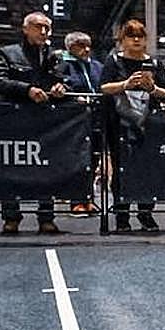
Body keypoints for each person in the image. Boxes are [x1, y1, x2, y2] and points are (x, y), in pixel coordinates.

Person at [100, 18, 165, 233]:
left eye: (141, 36)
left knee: (149, 169)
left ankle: (146, 213)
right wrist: (125, 85)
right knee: (121, 171)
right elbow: (103, 87)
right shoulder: (113, 61)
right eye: (132, 36)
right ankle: (122, 215)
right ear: (123, 40)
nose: (137, 40)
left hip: (149, 124)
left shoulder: (155, 64)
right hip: (119, 124)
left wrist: (151, 88)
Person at [0, 11, 66, 234]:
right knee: (10, 167)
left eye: (47, 28)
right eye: (38, 27)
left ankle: (46, 217)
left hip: (46, 121)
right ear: (25, 28)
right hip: (13, 120)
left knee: (45, 167)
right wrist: (26, 90)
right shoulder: (7, 53)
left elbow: (63, 82)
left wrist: (61, 89)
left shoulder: (55, 56)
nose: (44, 32)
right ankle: (11, 217)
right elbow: (0, 81)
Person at [57, 31, 104, 216]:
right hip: (74, 122)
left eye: (88, 45)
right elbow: (61, 87)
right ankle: (76, 200)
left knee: (93, 159)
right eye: (80, 45)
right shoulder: (62, 65)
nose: (86, 49)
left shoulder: (98, 66)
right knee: (76, 159)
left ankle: (88, 198)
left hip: (96, 120)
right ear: (70, 47)